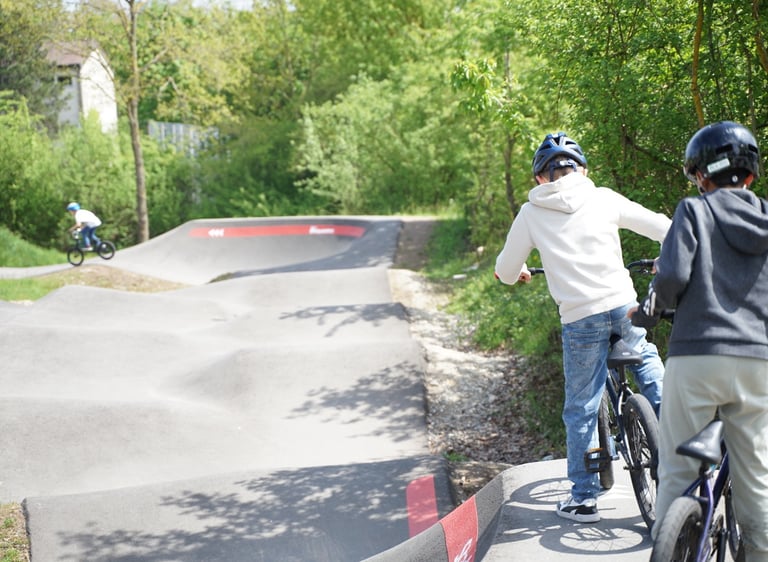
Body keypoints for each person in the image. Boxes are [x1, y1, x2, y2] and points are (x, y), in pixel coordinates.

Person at [495, 132, 671, 523]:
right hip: (624, 306)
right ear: (582, 169)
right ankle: (682, 442)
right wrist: (666, 260)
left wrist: (518, 272)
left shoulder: (531, 213)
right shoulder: (603, 196)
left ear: (540, 177)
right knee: (646, 362)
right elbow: (666, 227)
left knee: (582, 407)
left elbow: (506, 271)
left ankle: (584, 498)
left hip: (580, 319)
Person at [630, 120, 768, 559]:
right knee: (757, 482)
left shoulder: (694, 212)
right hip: (757, 365)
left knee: (676, 470)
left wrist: (649, 313)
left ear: (701, 175)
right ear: (750, 174)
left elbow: (671, 275)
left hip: (696, 357)